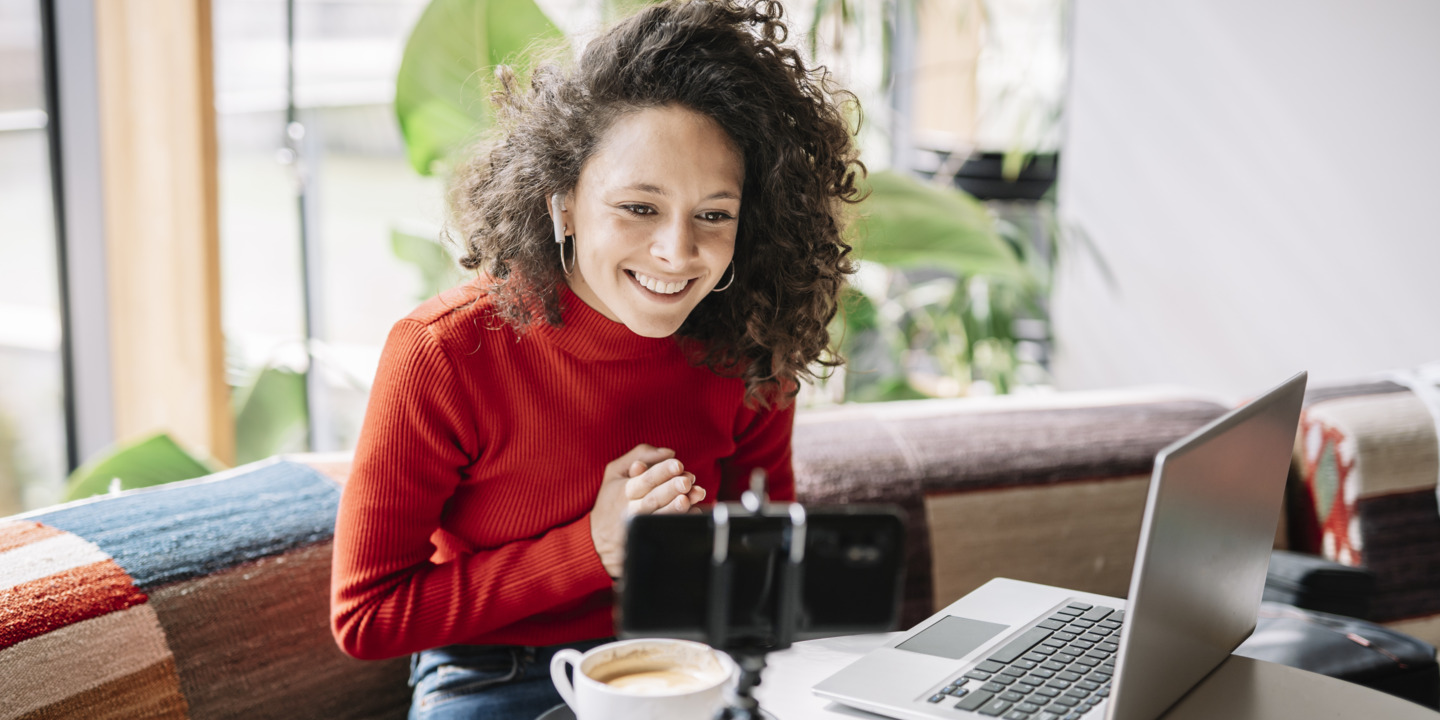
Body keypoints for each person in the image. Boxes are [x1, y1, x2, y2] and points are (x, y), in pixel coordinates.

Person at [330, 0, 863, 717]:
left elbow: (759, 575)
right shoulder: (444, 354)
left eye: (714, 214)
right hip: (498, 674)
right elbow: (367, 616)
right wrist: (591, 547)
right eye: (639, 208)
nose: (678, 252)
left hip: (686, 663)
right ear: (562, 205)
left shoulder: (751, 345)